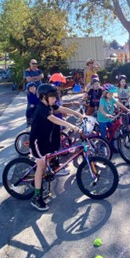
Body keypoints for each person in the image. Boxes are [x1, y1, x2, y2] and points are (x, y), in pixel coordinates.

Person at [30, 83, 84, 211]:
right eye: (52, 97)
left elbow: (61, 109)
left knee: (47, 161)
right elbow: (54, 119)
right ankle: (36, 198)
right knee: (41, 166)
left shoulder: (49, 105)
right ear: (44, 97)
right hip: (38, 141)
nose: (55, 99)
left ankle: (36, 181)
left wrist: (78, 115)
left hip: (46, 140)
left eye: (55, 96)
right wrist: (72, 126)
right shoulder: (41, 108)